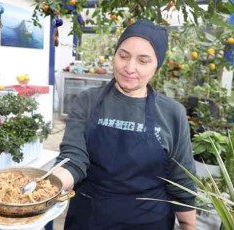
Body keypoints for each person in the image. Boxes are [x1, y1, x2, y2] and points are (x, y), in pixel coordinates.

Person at [52, 19, 197, 230]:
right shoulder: (88, 101)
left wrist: (188, 225)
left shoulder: (172, 113)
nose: (130, 68)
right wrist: (47, 186)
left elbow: (181, 181)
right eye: (123, 56)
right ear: (115, 55)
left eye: (143, 61)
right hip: (89, 216)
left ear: (158, 65)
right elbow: (73, 159)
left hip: (148, 221)